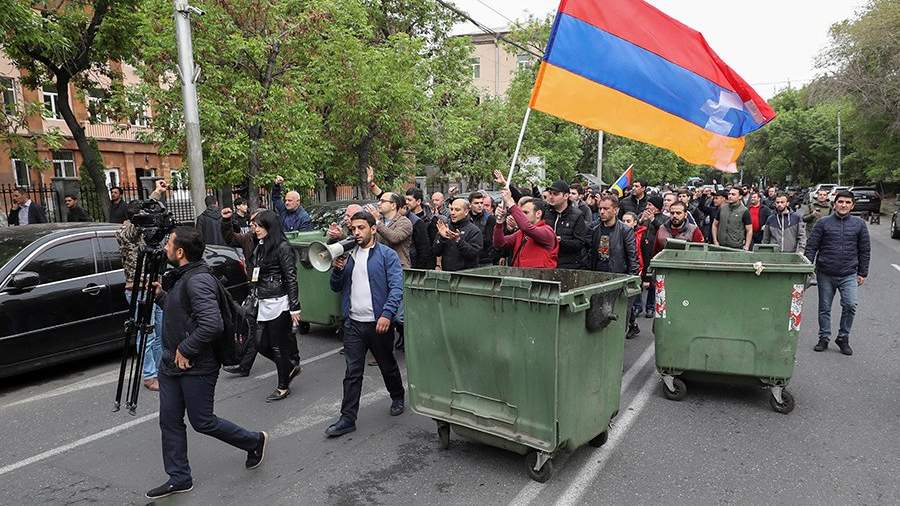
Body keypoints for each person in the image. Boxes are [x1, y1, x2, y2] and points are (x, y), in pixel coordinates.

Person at [146, 227, 267, 500]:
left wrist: (186, 348)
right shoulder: (183, 275)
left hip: (197, 365)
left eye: (169, 244)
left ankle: (254, 441)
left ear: (180, 252)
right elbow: (184, 314)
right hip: (171, 363)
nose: (165, 247)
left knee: (202, 421)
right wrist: (162, 296)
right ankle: (179, 477)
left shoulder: (198, 280)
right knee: (169, 421)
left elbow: (212, 324)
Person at [326, 212, 405, 437]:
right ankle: (347, 418)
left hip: (379, 323)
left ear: (373, 229)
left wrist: (387, 315)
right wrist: (337, 270)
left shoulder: (387, 255)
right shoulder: (348, 255)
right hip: (353, 324)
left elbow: (397, 287)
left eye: (361, 228)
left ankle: (397, 396)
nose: (356, 233)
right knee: (352, 373)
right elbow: (335, 287)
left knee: (387, 365)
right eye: (353, 229)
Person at [804, 190, 870, 356]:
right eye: (841, 202)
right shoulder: (823, 223)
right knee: (824, 308)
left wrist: (863, 273)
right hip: (825, 272)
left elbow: (864, 250)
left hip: (849, 273)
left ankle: (843, 337)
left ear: (852, 206)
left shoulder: (859, 224)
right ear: (834, 204)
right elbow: (811, 247)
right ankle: (824, 337)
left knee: (850, 304)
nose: (844, 205)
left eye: (848, 202)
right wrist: (806, 268)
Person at [116, 181, 167, 391]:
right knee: (147, 335)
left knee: (160, 334)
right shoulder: (125, 233)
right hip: (138, 290)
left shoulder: (148, 234)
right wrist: (154, 195)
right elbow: (133, 229)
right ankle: (149, 375)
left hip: (155, 287)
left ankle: (161, 371)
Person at [246, 210, 301, 401]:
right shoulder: (261, 245)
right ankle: (289, 366)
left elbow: (291, 278)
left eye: (260, 226)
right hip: (263, 300)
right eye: (255, 226)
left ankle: (283, 386)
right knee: (260, 344)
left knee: (277, 346)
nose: (256, 229)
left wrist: (294, 307)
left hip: (279, 301)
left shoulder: (282, 247)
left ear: (270, 226)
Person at [220, 208, 267, 376]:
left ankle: (291, 361)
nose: (252, 226)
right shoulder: (248, 238)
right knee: (252, 327)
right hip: (254, 290)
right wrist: (226, 222)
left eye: (256, 223)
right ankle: (244, 365)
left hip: (270, 292)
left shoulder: (273, 242)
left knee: (273, 332)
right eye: (251, 223)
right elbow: (230, 238)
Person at [587, 195, 640, 338]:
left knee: (617, 311)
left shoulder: (625, 230)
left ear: (615, 210)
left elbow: (632, 256)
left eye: (606, 209)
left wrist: (631, 279)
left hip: (617, 276)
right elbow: (589, 252)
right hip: (598, 274)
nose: (602, 212)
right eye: (600, 208)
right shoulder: (594, 228)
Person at [492, 190, 558, 268]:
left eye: (526, 212)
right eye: (521, 212)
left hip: (539, 275)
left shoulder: (547, 231)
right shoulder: (521, 233)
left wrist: (510, 203)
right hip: (520, 273)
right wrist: (499, 222)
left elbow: (527, 228)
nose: (522, 216)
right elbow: (499, 244)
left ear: (538, 214)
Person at [545, 180, 589, 269]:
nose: (551, 197)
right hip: (547, 263)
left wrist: (560, 241)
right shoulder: (545, 212)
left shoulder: (577, 215)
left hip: (567, 265)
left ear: (565, 196)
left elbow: (580, 243)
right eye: (550, 193)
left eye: (555, 194)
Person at [432, 198, 482, 271]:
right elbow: (436, 252)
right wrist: (441, 237)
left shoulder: (474, 230)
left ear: (466, 212)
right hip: (448, 274)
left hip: (465, 274)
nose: (452, 213)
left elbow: (473, 254)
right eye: (451, 209)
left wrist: (458, 240)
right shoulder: (446, 227)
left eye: (457, 210)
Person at [370, 192, 413, 268]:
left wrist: (377, 222)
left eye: (383, 201)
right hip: (379, 265)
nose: (378, 204)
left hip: (397, 267)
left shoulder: (404, 222)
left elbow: (395, 238)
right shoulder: (379, 220)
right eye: (379, 201)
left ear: (393, 205)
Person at [403, 189, 435, 269]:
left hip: (423, 265)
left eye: (409, 200)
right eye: (405, 199)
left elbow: (430, 247)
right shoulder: (405, 217)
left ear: (418, 201)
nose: (406, 202)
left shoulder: (430, 219)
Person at [469, 191, 497, 266]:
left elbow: (490, 241)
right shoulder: (466, 217)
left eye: (481, 203)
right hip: (468, 258)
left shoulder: (489, 219)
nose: (480, 205)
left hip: (484, 260)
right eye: (476, 203)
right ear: (470, 204)